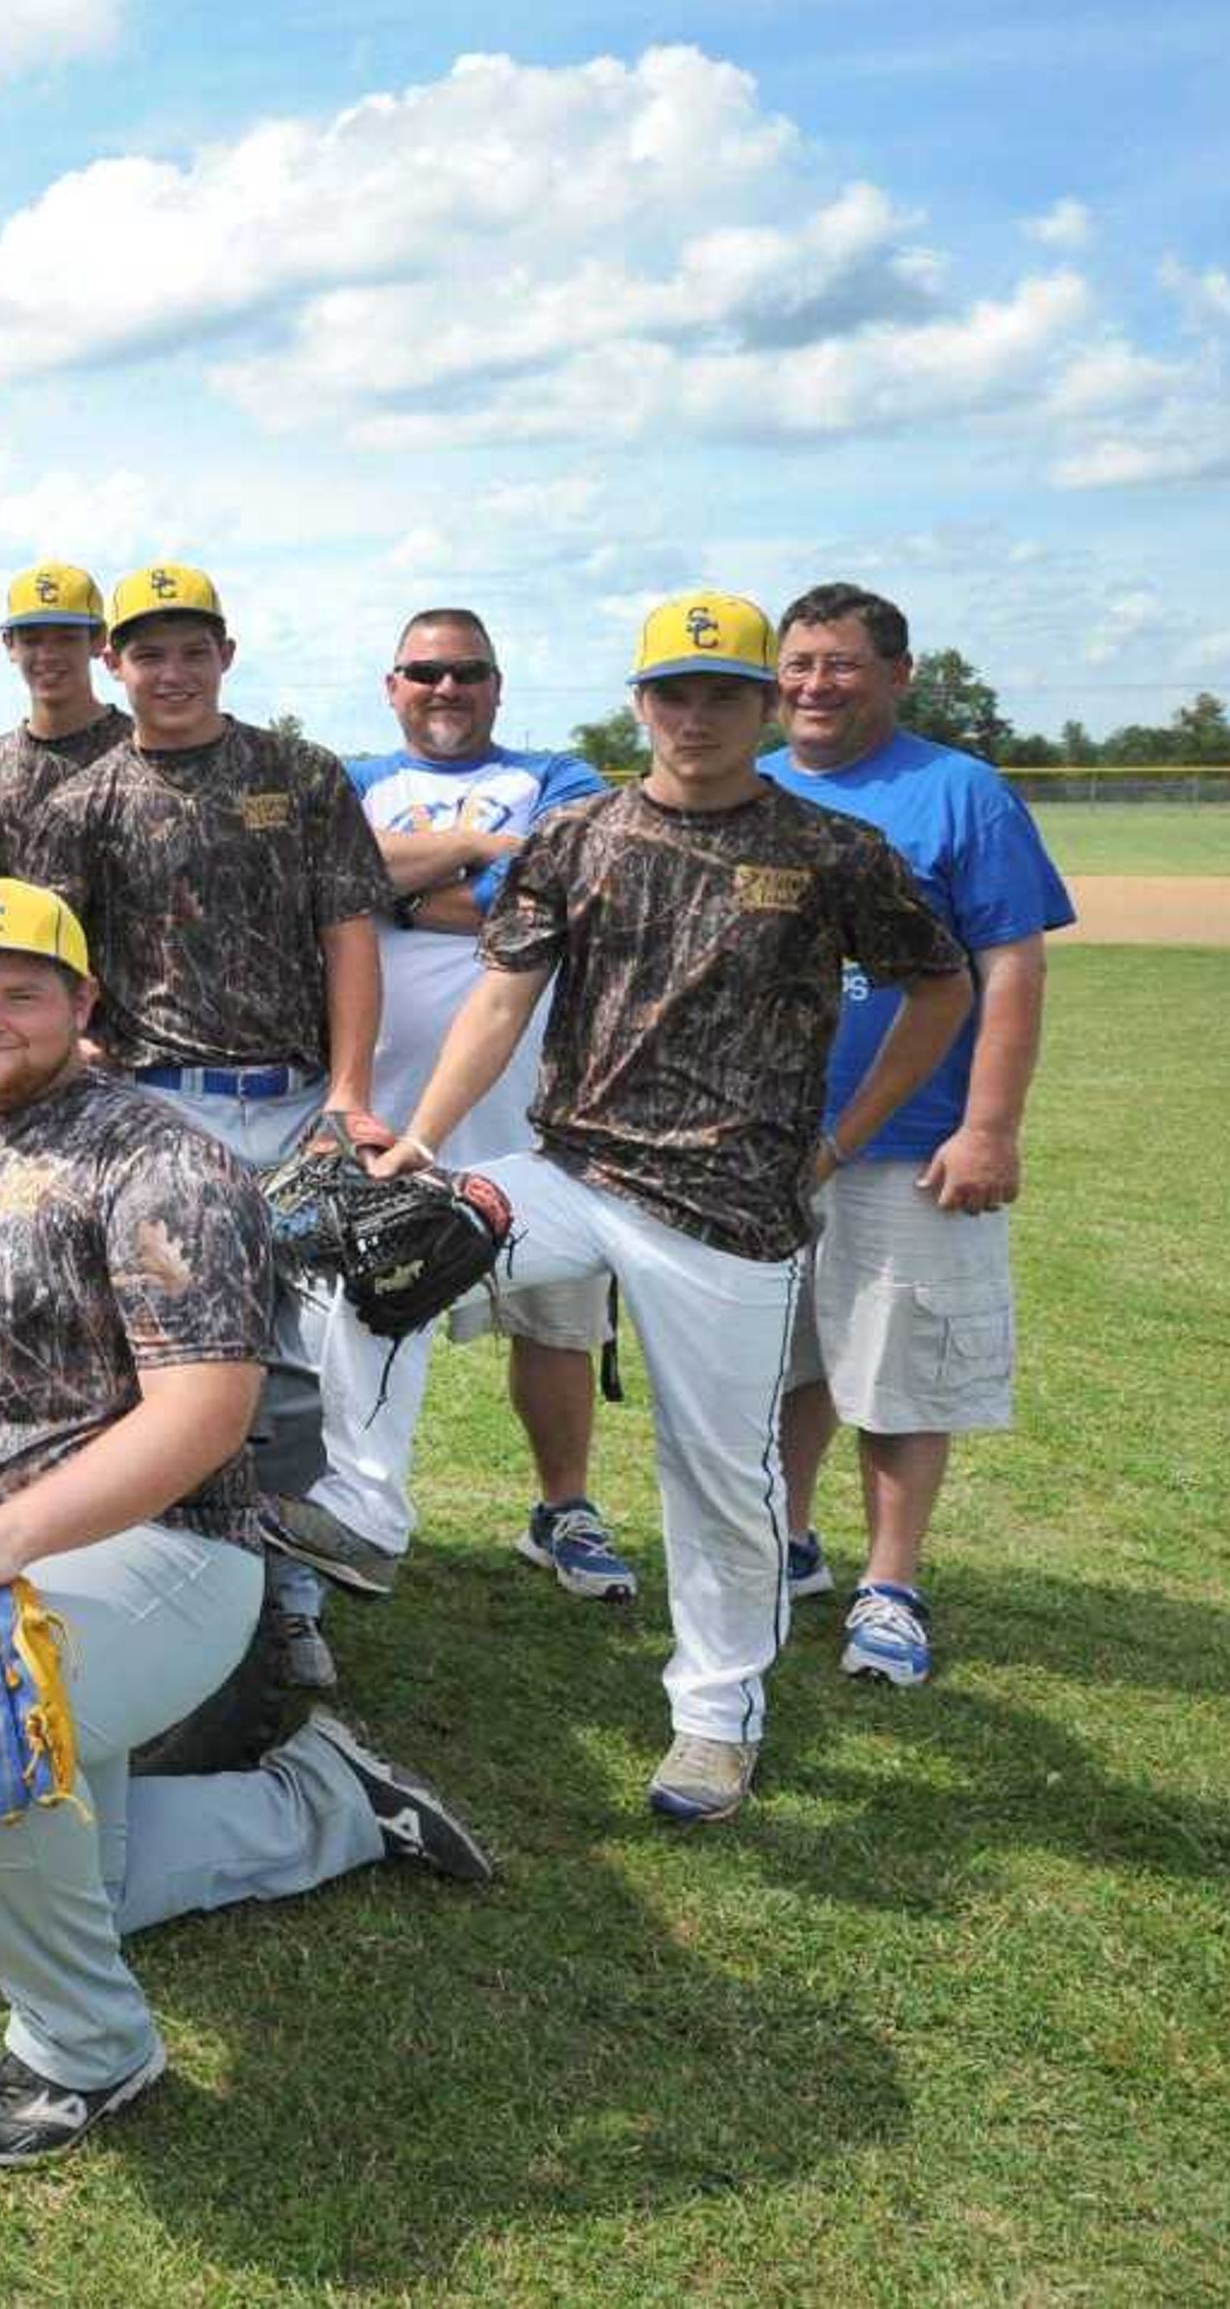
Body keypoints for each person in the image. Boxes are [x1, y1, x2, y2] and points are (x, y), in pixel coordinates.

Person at [0, 880, 491, 2168]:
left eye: (20, 991)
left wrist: (9, 1533)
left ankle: (86, 2050)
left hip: (165, 1555)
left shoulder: (162, 1160)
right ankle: (324, 1804)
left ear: (82, 1002)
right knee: (69, 1875)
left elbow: (207, 1412)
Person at [372, 591, 971, 1824]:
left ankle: (712, 1721)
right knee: (373, 1248)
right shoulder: (576, 836)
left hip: (732, 1214)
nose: (695, 717)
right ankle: (354, 1507)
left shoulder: (832, 850)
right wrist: (424, 1141)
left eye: (722, 694)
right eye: (672, 693)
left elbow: (939, 982)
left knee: (717, 1475)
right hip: (574, 1175)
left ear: (762, 706)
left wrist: (843, 1139)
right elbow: (498, 1000)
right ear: (639, 703)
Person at [17, 565, 392, 1680]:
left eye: (190, 649)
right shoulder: (79, 803)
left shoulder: (300, 774)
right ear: (111, 664)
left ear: (226, 654)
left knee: (298, 1355)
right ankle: (192, 1580)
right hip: (158, 1109)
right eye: (146, 652)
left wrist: (350, 1092)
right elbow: (49, 963)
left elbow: (348, 934)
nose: (169, 673)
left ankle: (297, 1581)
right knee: (171, 1362)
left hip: (293, 1100)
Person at [761, 582, 1075, 1689]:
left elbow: (1012, 965)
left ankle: (888, 1584)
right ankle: (784, 1548)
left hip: (916, 1141)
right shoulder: (744, 790)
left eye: (840, 663)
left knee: (897, 1372)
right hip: (761, 1143)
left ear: (898, 673)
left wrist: (991, 1125)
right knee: (780, 1362)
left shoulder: (961, 793)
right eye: (797, 663)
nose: (814, 684)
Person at [345, 608, 626, 1612]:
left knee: (556, 1323)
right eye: (425, 672)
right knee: (367, 1321)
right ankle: (360, 1512)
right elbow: (336, 874)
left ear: (498, 683)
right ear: (393, 685)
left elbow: (560, 888)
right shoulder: (352, 780)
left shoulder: (565, 778)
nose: (446, 688)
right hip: (387, 1112)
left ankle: (564, 1509)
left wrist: (409, 893)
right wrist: (471, 844)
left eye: (467, 671)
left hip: (542, 1111)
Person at [0, 560, 130, 899]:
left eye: (66, 639)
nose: (48, 655)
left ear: (98, 640)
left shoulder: (139, 748)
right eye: (32, 640)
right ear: (9, 644)